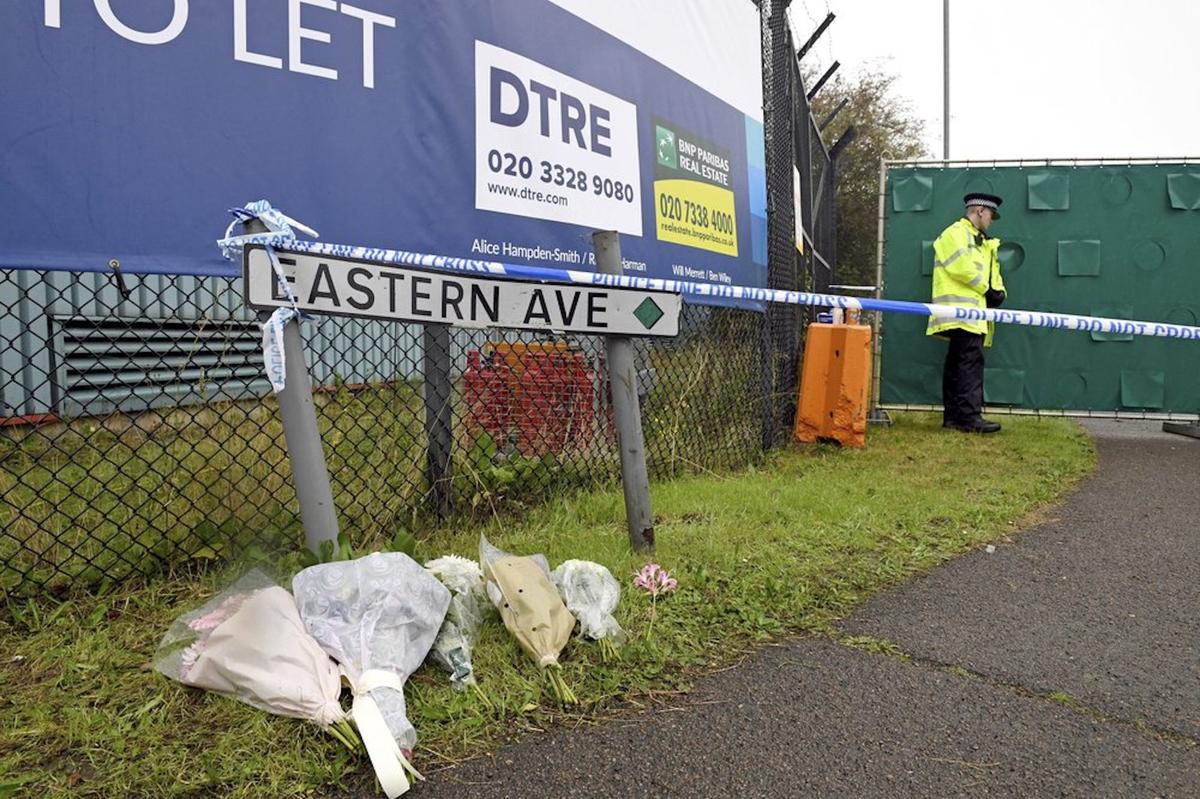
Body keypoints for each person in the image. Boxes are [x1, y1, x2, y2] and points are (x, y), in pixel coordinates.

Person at [926, 192, 1007, 433]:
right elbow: (961, 268)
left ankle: (953, 419)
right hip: (962, 312)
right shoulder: (956, 233)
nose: (991, 220)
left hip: (969, 313)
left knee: (958, 364)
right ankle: (970, 419)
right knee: (969, 364)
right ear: (980, 211)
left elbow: (992, 274)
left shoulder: (981, 240)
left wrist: (999, 292)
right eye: (991, 214)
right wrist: (988, 290)